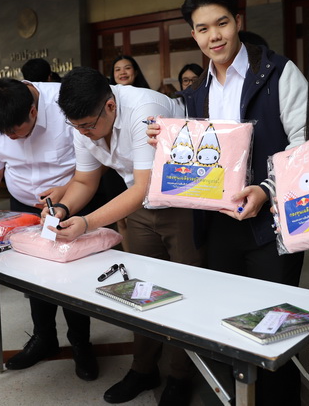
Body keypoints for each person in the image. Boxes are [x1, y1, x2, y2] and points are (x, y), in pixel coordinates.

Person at [174, 0, 308, 405]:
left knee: (275, 327)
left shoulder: (279, 72)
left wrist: (267, 190)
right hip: (219, 226)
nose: (214, 36)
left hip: (272, 222)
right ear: (194, 36)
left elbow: (305, 143)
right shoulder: (195, 93)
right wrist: (167, 141)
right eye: (203, 29)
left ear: (238, 21)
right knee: (230, 320)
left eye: (222, 23)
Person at [50, 67, 200, 406]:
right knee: (143, 289)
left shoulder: (144, 108)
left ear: (110, 106)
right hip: (140, 204)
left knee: (185, 287)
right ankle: (143, 369)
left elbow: (145, 185)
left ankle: (180, 375)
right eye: (76, 126)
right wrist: (62, 209)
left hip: (182, 201)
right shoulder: (83, 122)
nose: (83, 133)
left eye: (88, 125)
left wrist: (86, 222)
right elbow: (85, 181)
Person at [0, 78, 100, 381]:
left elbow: (93, 163)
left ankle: (81, 343)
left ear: (33, 111)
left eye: (15, 131)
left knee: (72, 276)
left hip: (71, 202)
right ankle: (44, 337)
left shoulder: (65, 105)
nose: (10, 138)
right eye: (4, 134)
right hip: (23, 207)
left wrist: (65, 191)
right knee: (33, 275)